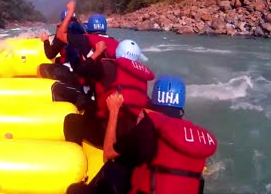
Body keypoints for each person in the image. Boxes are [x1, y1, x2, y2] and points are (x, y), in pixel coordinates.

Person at [68, 76, 217, 194]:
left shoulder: (149, 125)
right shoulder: (196, 137)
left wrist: (114, 111)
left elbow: (109, 153)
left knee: (109, 171)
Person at [64, 39, 155, 148]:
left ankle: (76, 157)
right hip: (132, 134)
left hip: (110, 131)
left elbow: (81, 71)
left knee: (71, 121)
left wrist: (97, 52)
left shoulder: (109, 66)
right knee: (91, 107)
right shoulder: (143, 78)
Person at [38, 9, 84, 87]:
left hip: (70, 71)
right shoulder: (82, 31)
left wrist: (45, 40)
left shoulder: (62, 34)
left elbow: (50, 54)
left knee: (40, 68)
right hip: (82, 68)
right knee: (57, 60)